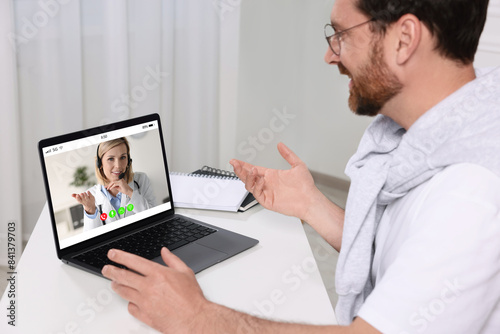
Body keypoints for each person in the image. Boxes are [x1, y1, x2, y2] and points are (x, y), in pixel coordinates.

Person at [101, 0, 500, 333]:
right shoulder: (445, 131)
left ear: (405, 39)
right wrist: (312, 205)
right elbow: (405, 251)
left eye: (342, 35)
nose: (330, 55)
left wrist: (197, 318)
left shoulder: (473, 194)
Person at [72, 137, 156, 231]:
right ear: (100, 164)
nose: (118, 166)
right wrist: (90, 211)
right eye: (111, 159)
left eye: (123, 157)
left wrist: (130, 192)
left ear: (128, 160)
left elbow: (155, 219)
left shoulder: (141, 180)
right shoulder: (90, 196)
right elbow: (90, 240)